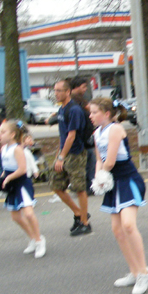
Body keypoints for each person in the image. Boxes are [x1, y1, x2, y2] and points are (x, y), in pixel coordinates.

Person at [89, 97, 148, 294]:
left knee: (128, 225)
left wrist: (102, 174)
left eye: (94, 112)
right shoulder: (96, 133)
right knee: (117, 230)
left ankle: (144, 272)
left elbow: (110, 159)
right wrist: (97, 177)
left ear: (106, 113)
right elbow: (99, 160)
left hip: (127, 180)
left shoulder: (115, 129)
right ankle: (134, 271)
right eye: (90, 113)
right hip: (112, 182)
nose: (90, 116)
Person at [0, 120, 46, 258]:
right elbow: (5, 167)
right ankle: (32, 238)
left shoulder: (17, 149)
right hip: (11, 183)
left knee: (29, 213)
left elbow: (22, 169)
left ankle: (39, 241)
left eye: (2, 132)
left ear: (12, 134)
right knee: (15, 216)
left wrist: (8, 178)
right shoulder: (3, 149)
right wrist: (2, 179)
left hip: (21, 183)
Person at [51, 78, 92, 236]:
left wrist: (62, 157)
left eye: (59, 90)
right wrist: (59, 155)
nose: (56, 93)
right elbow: (63, 136)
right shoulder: (62, 109)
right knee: (56, 185)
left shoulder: (74, 110)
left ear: (68, 92)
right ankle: (78, 213)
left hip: (75, 154)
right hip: (64, 153)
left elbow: (71, 136)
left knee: (79, 189)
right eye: (55, 90)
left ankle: (85, 223)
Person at [70, 76, 96, 196]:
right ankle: (85, 187)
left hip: (87, 138)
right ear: (76, 87)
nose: (85, 89)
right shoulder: (73, 101)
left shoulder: (81, 99)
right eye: (84, 86)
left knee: (90, 163)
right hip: (81, 140)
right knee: (86, 164)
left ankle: (90, 186)